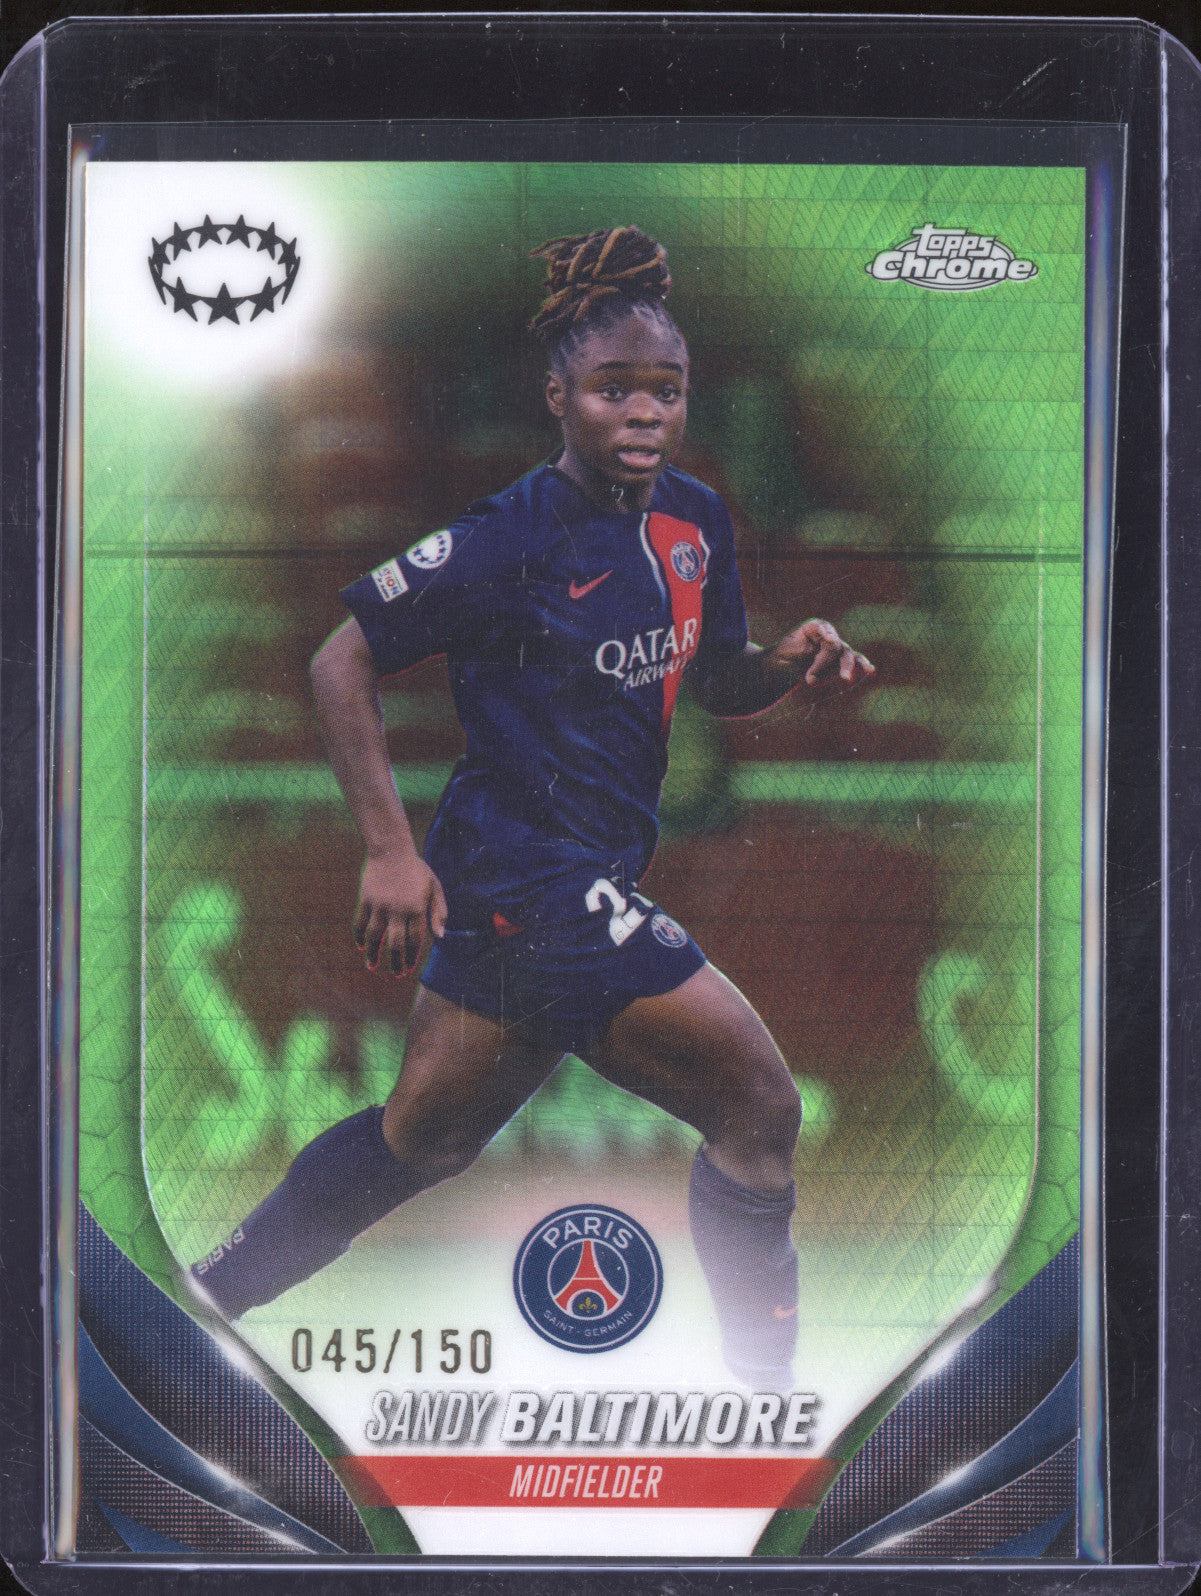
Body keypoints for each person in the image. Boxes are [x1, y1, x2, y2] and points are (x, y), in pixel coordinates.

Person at [191, 227, 874, 1388]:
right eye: (614, 389)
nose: (643, 412)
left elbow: (714, 680)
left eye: (666, 390)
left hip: (567, 877)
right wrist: (388, 852)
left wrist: (784, 662)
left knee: (424, 1137)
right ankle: (767, 1396)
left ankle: (204, 1301)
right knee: (758, 1105)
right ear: (558, 397)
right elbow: (338, 662)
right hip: (529, 879)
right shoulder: (507, 537)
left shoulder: (695, 522)